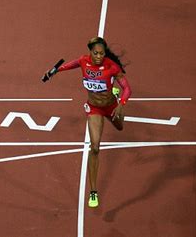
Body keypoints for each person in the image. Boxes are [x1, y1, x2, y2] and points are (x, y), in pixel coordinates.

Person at [44, 37, 132, 208]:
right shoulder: (83, 61)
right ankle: (93, 191)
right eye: (95, 53)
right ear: (90, 51)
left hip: (111, 106)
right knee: (95, 147)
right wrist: (55, 71)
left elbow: (128, 88)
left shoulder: (112, 67)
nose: (99, 56)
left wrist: (121, 104)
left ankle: (112, 91)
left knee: (120, 127)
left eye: (101, 53)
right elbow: (71, 64)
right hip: (94, 109)